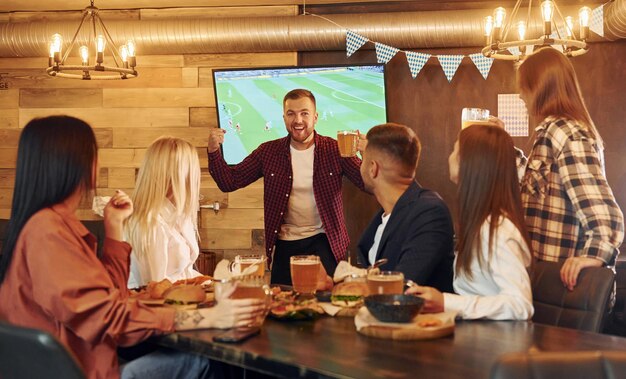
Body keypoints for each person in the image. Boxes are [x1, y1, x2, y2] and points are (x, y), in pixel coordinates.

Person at [0, 116, 264, 379]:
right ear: (74, 164)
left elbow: (110, 294)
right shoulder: (48, 232)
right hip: (89, 370)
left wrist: (114, 230)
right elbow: (109, 318)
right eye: (94, 154)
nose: (97, 163)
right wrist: (208, 319)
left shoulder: (48, 225)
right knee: (212, 361)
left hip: (88, 362)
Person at [207, 89, 365, 286]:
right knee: (282, 303)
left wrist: (367, 154)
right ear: (284, 118)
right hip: (285, 244)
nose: (298, 120)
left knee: (327, 302)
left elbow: (367, 183)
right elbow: (229, 181)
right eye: (291, 114)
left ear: (315, 117)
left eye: (304, 113)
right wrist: (213, 151)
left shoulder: (335, 149)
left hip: (326, 242)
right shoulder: (268, 152)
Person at [516, 48, 624, 291]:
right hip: (551, 282)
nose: (520, 95)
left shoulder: (566, 133)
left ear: (539, 87)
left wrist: (593, 256)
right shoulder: (554, 131)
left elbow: (606, 215)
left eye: (523, 87)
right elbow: (537, 183)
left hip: (565, 288)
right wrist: (499, 145)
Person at [407, 124, 534, 320]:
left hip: (495, 346)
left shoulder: (498, 229)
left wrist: (446, 302)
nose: (449, 157)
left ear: (470, 163)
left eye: (454, 150)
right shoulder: (480, 222)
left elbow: (520, 304)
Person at [357, 123, 454, 292]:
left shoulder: (429, 212)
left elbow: (401, 287)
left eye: (362, 158)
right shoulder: (387, 213)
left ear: (373, 168)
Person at [126, 136, 203, 288]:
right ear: (181, 175)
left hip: (180, 301)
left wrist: (215, 283)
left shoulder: (179, 216)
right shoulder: (149, 223)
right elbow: (153, 289)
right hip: (158, 307)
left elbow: (184, 273)